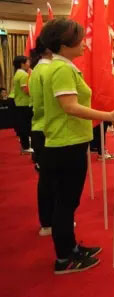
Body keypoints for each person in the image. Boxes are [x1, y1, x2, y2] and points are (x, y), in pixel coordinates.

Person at [39, 18, 114, 274]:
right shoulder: (62, 69)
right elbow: (70, 107)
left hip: (69, 141)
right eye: (79, 40)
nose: (84, 44)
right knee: (66, 202)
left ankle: (71, 248)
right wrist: (107, 116)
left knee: (68, 201)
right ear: (64, 44)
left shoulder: (63, 67)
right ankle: (65, 258)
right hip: (66, 142)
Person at [28, 38, 53, 235]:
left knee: (46, 179)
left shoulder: (37, 69)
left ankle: (47, 222)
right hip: (48, 129)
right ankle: (50, 222)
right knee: (52, 180)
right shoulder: (49, 70)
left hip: (40, 127)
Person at [13, 55, 33, 154]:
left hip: (20, 102)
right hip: (25, 103)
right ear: (22, 64)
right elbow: (26, 90)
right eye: (28, 62)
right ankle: (26, 147)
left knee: (24, 125)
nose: (29, 64)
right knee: (26, 126)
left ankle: (25, 145)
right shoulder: (23, 75)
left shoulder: (18, 73)